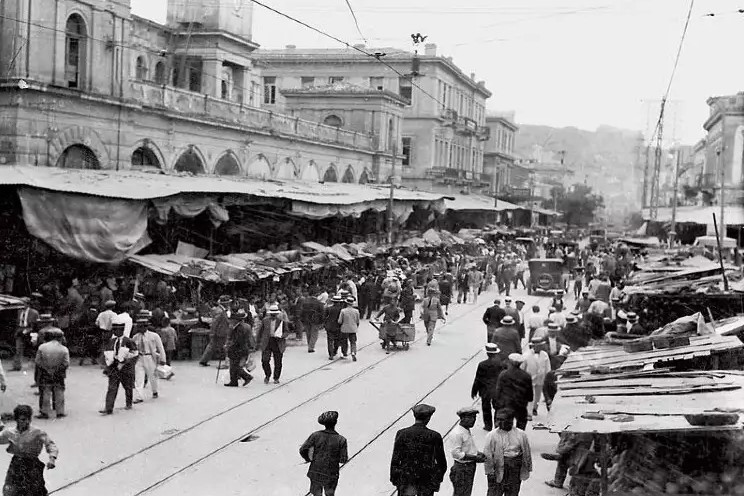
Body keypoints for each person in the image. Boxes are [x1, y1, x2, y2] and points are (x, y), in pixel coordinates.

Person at [0, 405, 58, 496]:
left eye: (28, 419)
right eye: (23, 419)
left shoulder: (37, 432)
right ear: (17, 420)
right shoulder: (9, 433)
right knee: (10, 491)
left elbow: (50, 444)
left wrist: (52, 459)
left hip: (32, 465)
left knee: (35, 491)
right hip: (16, 465)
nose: (26, 422)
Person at [390, 404, 447, 496]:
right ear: (428, 418)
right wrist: (436, 481)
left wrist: (396, 480)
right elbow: (441, 463)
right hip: (426, 481)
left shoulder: (402, 433)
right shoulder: (434, 436)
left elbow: (395, 459)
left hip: (406, 481)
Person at [483, 408, 532, 496]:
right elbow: (487, 455)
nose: (498, 422)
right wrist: (489, 472)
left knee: (513, 492)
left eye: (502, 419)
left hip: (515, 470)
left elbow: (526, 453)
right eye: (497, 419)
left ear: (511, 420)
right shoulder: (492, 436)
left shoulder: (521, 435)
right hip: (499, 470)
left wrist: (527, 468)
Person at [299, 411, 349, 496]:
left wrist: (309, 459)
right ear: (335, 422)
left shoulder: (315, 435)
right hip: (331, 474)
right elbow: (343, 459)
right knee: (329, 494)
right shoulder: (341, 440)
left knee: (316, 494)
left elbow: (303, 449)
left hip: (315, 471)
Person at [100, 317, 139, 415]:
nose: (116, 332)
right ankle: (108, 408)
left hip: (125, 368)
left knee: (128, 386)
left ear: (122, 330)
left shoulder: (128, 341)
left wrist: (126, 361)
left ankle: (128, 403)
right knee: (112, 388)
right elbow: (107, 353)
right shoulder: (112, 341)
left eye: (118, 330)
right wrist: (107, 365)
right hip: (114, 367)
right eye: (114, 330)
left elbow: (135, 354)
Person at [448, 406, 486, 496]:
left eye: (474, 418)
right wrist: (475, 457)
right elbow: (456, 454)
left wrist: (478, 453)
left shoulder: (466, 430)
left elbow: (468, 448)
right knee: (461, 493)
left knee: (466, 492)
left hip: (468, 467)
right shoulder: (457, 433)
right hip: (462, 468)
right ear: (462, 418)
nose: (473, 420)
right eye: (470, 418)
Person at [132, 312, 166, 403]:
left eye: (142, 326)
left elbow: (161, 348)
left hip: (150, 357)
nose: (139, 328)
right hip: (140, 358)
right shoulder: (135, 337)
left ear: (146, 327)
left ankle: (155, 391)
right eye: (138, 327)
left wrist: (163, 359)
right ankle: (139, 396)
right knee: (139, 377)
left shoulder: (154, 336)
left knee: (153, 377)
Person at [35, 329, 69, 419]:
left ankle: (45, 412)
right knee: (59, 391)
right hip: (58, 373)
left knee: (45, 392)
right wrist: (56, 369)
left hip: (45, 372)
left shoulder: (42, 347)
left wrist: (46, 369)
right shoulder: (64, 349)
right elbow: (66, 363)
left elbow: (38, 361)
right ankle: (60, 412)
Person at [494, 354, 533, 430]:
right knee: (521, 426)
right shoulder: (526, 376)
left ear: (510, 362)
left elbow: (498, 391)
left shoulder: (503, 374)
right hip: (521, 406)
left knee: (504, 426)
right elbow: (530, 396)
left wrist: (497, 403)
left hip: (506, 405)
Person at [471, 343, 503, 432]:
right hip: (497, 390)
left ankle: (488, 425)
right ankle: (497, 424)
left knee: (486, 408)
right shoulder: (501, 364)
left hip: (485, 390)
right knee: (497, 407)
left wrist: (474, 390)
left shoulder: (482, 364)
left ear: (487, 353)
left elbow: (478, 378)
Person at [224, 309, 255, 387]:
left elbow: (238, 340)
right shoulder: (245, 326)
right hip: (242, 348)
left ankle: (246, 377)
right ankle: (233, 381)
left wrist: (229, 346)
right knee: (234, 365)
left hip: (238, 349)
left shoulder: (240, 328)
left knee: (235, 366)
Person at [199, 295, 232, 367]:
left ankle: (203, 360)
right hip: (220, 332)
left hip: (221, 331)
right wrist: (212, 333)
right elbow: (215, 323)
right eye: (228, 302)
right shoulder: (220, 311)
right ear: (225, 303)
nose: (229, 304)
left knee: (212, 346)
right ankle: (227, 363)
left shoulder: (221, 310)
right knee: (226, 347)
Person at [257, 304, 287, 384]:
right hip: (267, 341)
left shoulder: (282, 321)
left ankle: (276, 377)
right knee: (265, 360)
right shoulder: (265, 320)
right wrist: (258, 342)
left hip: (278, 341)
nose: (273, 315)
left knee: (278, 361)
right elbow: (260, 331)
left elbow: (286, 331)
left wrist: (281, 336)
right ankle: (267, 374)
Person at [521, 338, 550, 418]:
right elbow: (522, 368)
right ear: (534, 346)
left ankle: (534, 409)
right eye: (539, 345)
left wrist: (547, 377)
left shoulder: (544, 354)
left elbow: (548, 367)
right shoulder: (526, 355)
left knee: (538, 395)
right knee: (530, 395)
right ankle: (528, 413)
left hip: (540, 378)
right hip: (529, 378)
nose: (541, 347)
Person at [14, 297, 39, 371]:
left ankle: (35, 364)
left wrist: (30, 331)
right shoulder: (19, 311)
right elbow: (18, 323)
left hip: (30, 331)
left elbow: (36, 325)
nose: (21, 305)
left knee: (32, 349)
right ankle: (17, 365)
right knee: (18, 348)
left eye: (23, 303)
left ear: (27, 304)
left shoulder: (34, 312)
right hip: (20, 330)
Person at [338, 296, 360, 361]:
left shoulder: (343, 311)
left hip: (344, 329)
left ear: (346, 303)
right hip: (353, 328)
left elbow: (339, 321)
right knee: (353, 342)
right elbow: (357, 321)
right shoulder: (356, 311)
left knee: (344, 341)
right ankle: (353, 352)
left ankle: (344, 353)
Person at [325, 295, 345, 360]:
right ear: (339, 302)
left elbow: (324, 317)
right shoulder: (342, 310)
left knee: (330, 340)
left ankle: (331, 354)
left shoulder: (328, 308)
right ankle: (334, 351)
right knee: (337, 340)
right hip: (338, 326)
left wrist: (325, 324)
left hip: (329, 326)